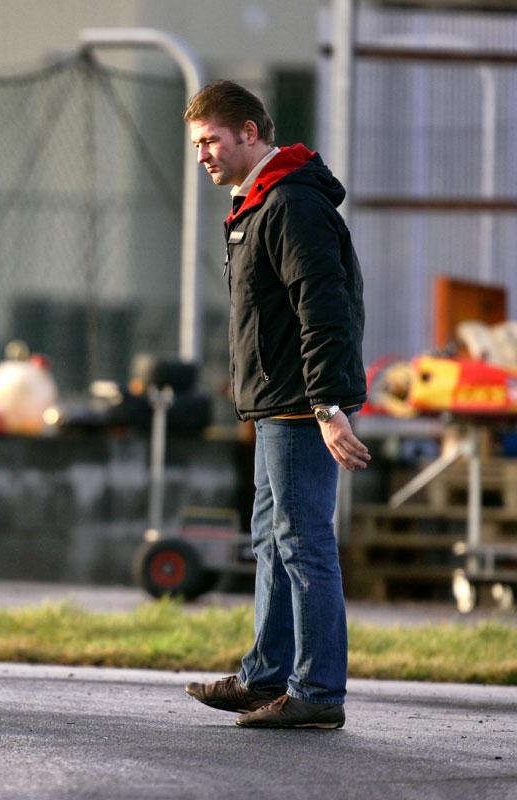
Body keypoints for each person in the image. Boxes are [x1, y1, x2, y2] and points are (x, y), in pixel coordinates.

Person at [182, 81, 370, 729]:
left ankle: (317, 692)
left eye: (211, 140)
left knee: (303, 544)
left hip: (300, 407)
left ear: (250, 134)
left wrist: (328, 406)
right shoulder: (258, 203)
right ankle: (266, 677)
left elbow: (325, 309)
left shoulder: (290, 203)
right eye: (197, 143)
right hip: (277, 404)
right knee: (271, 539)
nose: (202, 153)